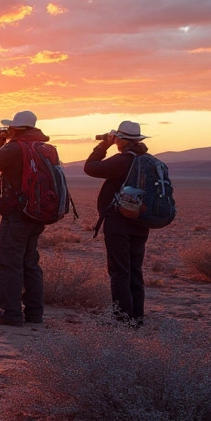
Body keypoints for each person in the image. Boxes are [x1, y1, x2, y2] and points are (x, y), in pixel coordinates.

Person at [0, 110, 52, 326]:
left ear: (16, 129)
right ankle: (34, 314)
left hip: (17, 215)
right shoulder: (44, 148)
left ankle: (10, 313)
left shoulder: (15, 147)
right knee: (30, 263)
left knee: (9, 262)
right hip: (37, 213)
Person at [84, 121, 151, 327]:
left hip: (119, 223)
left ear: (121, 139)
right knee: (134, 270)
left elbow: (90, 167)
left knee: (119, 272)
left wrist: (103, 145)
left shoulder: (123, 160)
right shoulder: (147, 161)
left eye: (117, 138)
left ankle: (122, 320)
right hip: (141, 223)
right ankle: (136, 318)